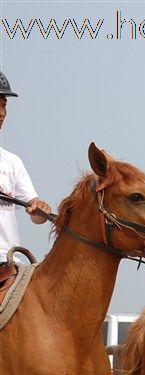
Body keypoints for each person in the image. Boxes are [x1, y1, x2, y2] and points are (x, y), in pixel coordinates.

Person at [0, 70, 52, 265]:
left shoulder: (12, 162)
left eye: (4, 105)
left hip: (9, 262)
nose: (1, 113)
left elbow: (36, 216)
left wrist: (41, 209)